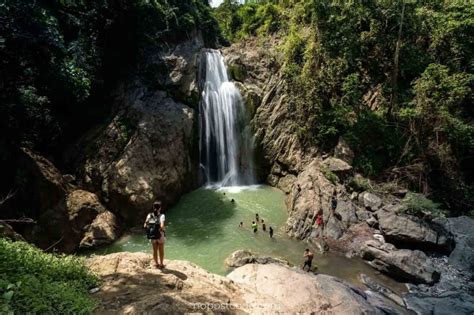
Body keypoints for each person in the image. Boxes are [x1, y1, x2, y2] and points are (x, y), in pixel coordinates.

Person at [144, 201, 166, 268]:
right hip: (160, 235)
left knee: (154, 250)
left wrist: (151, 228)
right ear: (160, 208)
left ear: (153, 207)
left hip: (152, 235)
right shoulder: (162, 215)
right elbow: (162, 226)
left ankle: (156, 264)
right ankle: (161, 264)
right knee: (161, 250)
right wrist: (163, 230)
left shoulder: (149, 215)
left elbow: (145, 225)